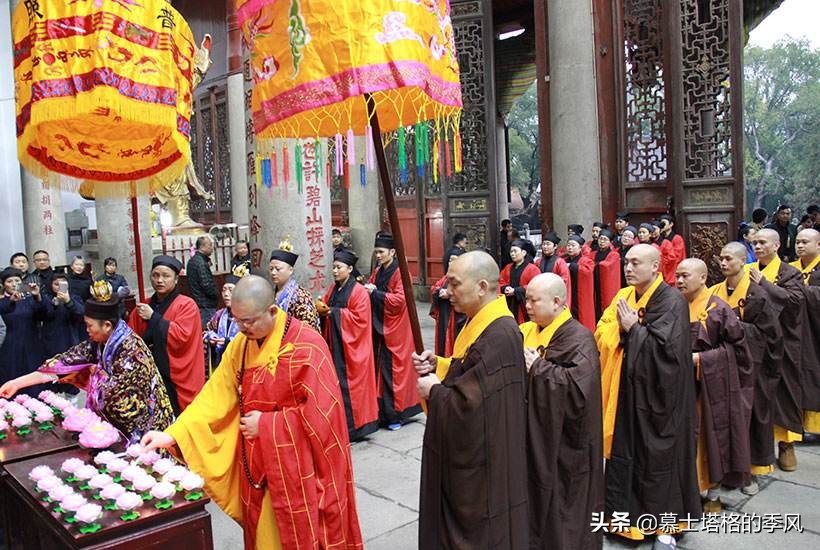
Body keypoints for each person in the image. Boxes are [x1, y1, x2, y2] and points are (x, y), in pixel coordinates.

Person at [140, 276, 363, 550]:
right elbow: (215, 394)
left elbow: (325, 417)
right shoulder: (242, 345)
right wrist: (172, 434)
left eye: (248, 321)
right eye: (236, 320)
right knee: (264, 537)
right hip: (259, 465)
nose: (241, 328)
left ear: (272, 311)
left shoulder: (307, 346)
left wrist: (268, 425)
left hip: (301, 470)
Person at [413, 251, 527, 549]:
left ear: (482, 287)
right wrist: (436, 365)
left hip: (484, 462)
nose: (447, 292)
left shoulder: (501, 333)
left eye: (454, 284)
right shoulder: (479, 320)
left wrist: (435, 392)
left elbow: (474, 407)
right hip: (480, 454)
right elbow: (466, 369)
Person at [595, 244, 699, 548]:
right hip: (628, 391)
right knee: (625, 454)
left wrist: (633, 330)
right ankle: (624, 523)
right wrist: (622, 331)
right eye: (626, 262)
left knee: (659, 462)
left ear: (655, 267)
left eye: (636, 263)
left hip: (661, 399)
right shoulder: (624, 296)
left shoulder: (672, 302)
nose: (628, 268)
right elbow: (602, 330)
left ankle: (665, 529)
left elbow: (669, 354)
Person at [1, 281, 174, 444]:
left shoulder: (130, 349)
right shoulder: (99, 342)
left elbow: (117, 394)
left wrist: (93, 371)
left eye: (90, 325)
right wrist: (16, 383)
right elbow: (62, 363)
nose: (87, 330)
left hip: (144, 428)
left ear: (107, 325)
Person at [521, 273, 603, 550]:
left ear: (557, 302)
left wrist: (539, 369)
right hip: (538, 433)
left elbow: (579, 392)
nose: (527, 306)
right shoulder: (530, 330)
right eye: (526, 299)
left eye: (534, 301)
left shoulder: (579, 338)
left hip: (568, 444)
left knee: (564, 501)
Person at [676, 259, 753, 512]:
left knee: (710, 438)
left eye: (685, 276)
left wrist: (701, 360)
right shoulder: (673, 306)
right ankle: (684, 489)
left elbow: (737, 351)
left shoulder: (718, 308)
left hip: (710, 386)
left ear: (702, 277)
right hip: (679, 384)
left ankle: (713, 493)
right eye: (677, 276)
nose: (679, 281)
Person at [710, 242, 784, 495]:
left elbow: (770, 335)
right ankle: (723, 470)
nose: (723, 263)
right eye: (721, 258)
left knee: (751, 417)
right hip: (721, 365)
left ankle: (751, 471)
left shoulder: (758, 294)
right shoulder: (715, 290)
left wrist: (734, 325)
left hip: (752, 365)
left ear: (743, 261)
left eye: (729, 259)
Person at [749, 228, 806, 471]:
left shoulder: (789, 272)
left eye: (762, 243)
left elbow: (795, 302)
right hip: (755, 342)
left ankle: (786, 443)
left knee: (784, 394)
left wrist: (764, 284)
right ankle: (757, 448)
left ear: (777, 245)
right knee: (757, 396)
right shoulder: (747, 271)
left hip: (782, 342)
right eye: (754, 243)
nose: (758, 247)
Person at [128, 255, 205, 414]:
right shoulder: (143, 307)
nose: (159, 280)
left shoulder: (186, 305)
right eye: (155, 275)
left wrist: (154, 318)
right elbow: (130, 340)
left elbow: (182, 337)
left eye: (166, 276)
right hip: (150, 375)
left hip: (175, 375)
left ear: (176, 279)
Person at [320, 249, 379, 441]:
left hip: (354, 348)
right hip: (337, 345)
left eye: (339, 267)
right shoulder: (334, 288)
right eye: (334, 267)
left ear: (350, 268)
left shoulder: (359, 291)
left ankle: (357, 428)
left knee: (353, 390)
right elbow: (328, 306)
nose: (335, 271)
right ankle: (343, 426)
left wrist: (333, 313)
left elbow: (360, 320)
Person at [365, 234, 421, 429]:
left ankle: (397, 414)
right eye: (376, 252)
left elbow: (400, 300)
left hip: (395, 328)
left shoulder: (400, 271)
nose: (378, 256)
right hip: (380, 324)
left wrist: (375, 293)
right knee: (381, 370)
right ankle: (383, 412)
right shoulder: (378, 270)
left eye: (381, 252)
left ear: (392, 252)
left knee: (393, 371)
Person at [790, 229, 820, 439]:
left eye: (805, 242)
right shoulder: (791, 269)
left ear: (818, 244)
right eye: (797, 242)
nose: (799, 246)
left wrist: (799, 290)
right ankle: (801, 423)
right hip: (798, 329)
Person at [0, 268, 48, 395]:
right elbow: (4, 309)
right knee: (11, 380)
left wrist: (38, 296)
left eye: (17, 280)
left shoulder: (30, 301)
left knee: (33, 383)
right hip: (10, 348)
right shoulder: (3, 302)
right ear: (3, 284)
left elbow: (45, 314)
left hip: (32, 346)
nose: (14, 284)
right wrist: (11, 301)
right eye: (9, 281)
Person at [204, 264, 248, 373]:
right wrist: (211, 338)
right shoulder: (219, 315)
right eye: (224, 290)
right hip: (222, 364)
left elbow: (253, 340)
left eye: (231, 290)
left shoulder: (248, 315)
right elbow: (207, 331)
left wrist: (229, 341)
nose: (226, 294)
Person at [269, 240, 320, 331]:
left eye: (278, 269)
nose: (273, 272)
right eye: (271, 269)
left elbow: (308, 328)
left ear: (290, 270)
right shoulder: (270, 294)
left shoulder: (301, 296)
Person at [429, 249, 467, 356]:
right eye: (450, 260)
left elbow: (466, 294)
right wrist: (438, 291)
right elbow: (434, 288)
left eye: (455, 260)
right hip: (444, 315)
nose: (451, 263)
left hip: (457, 317)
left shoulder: (465, 278)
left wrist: (450, 294)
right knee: (442, 342)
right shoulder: (446, 277)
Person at [41, 273, 85, 358]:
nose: (59, 287)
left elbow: (81, 314)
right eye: (56, 284)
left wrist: (68, 302)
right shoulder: (46, 298)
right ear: (51, 285)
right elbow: (44, 314)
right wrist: (55, 304)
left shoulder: (75, 298)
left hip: (71, 338)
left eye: (63, 284)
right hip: (52, 340)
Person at [499, 238, 540, 323]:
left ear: (524, 253)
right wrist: (505, 288)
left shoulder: (532, 269)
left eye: (515, 251)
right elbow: (500, 281)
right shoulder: (508, 267)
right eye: (511, 252)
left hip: (523, 305)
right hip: (509, 303)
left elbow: (536, 286)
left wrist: (516, 291)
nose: (512, 254)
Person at [563, 235, 596, 331]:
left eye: (573, 245)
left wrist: (573, 266)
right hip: (567, 294)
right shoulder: (563, 261)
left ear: (580, 247)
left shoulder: (586, 261)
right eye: (568, 245)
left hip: (580, 294)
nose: (570, 248)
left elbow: (588, 272)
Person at [187, 235, 219, 326]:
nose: (212, 248)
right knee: (208, 331)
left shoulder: (193, 260)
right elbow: (206, 284)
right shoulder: (201, 263)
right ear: (202, 247)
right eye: (210, 245)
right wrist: (216, 294)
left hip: (198, 302)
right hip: (206, 305)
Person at [591, 229, 622, 321]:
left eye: (605, 239)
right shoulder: (593, 254)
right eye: (600, 239)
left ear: (611, 242)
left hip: (607, 284)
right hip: (594, 283)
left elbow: (607, 265)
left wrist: (596, 264)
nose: (602, 241)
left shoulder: (614, 254)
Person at [537, 232, 571, 308]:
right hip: (541, 295)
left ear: (555, 246)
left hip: (555, 296)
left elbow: (564, 280)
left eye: (548, 244)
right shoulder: (538, 261)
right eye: (543, 244)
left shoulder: (560, 262)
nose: (545, 247)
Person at [658, 214, 686, 284]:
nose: (662, 225)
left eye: (664, 223)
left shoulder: (677, 238)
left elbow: (677, 257)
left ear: (671, 225)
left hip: (673, 270)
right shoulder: (661, 238)